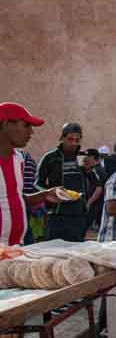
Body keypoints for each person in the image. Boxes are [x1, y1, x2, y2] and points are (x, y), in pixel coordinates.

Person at [0, 103, 65, 246]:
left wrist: (45, 195)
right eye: (26, 126)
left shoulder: (19, 159)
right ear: (5, 124)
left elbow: (14, 197)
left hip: (17, 247)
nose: (31, 132)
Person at [36, 122, 91, 241]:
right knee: (55, 252)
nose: (74, 143)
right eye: (70, 139)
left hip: (78, 215)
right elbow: (37, 183)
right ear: (62, 138)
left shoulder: (83, 157)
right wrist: (49, 194)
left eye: (77, 140)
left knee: (77, 254)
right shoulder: (50, 158)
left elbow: (94, 182)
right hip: (57, 214)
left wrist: (90, 170)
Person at [81, 149, 104, 234]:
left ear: (93, 158)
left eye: (87, 157)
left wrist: (89, 202)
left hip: (96, 204)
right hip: (98, 204)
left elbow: (99, 189)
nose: (85, 160)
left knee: (83, 227)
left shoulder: (96, 170)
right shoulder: (97, 169)